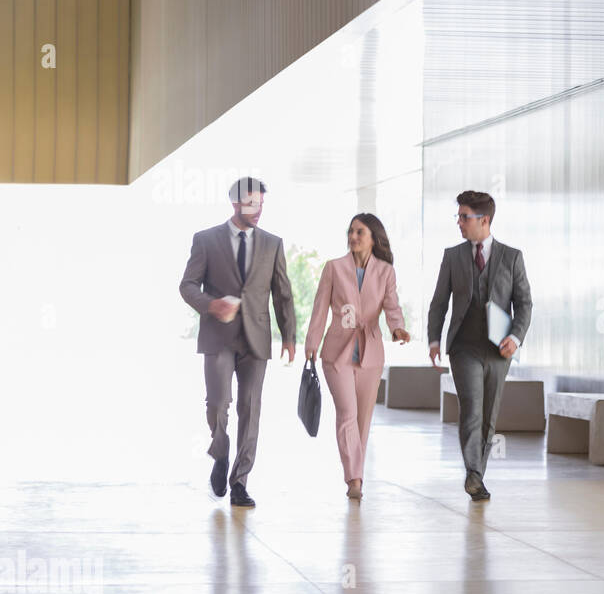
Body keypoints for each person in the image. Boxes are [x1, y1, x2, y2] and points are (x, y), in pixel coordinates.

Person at [180, 177, 296, 508]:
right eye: (251, 204)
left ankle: (240, 482)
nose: (257, 210)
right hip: (218, 336)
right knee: (218, 403)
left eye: (261, 204)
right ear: (235, 204)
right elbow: (187, 285)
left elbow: (282, 292)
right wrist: (211, 305)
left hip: (256, 339)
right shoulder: (205, 240)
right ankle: (219, 450)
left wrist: (289, 335)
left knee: (250, 407)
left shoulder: (273, 244)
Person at [427, 190, 532, 501]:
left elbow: (524, 303)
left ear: (484, 220)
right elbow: (439, 303)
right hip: (464, 347)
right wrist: (434, 339)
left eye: (464, 217)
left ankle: (477, 475)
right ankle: (473, 472)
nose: (459, 222)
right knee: (472, 409)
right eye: (458, 216)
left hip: (499, 350)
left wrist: (515, 337)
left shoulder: (512, 257)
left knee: (489, 414)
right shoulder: (452, 256)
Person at [305, 214, 410, 499]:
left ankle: (357, 475)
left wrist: (397, 328)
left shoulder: (386, 271)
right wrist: (312, 342)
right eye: (350, 231)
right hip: (336, 354)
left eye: (359, 232)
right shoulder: (334, 268)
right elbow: (320, 308)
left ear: (373, 237)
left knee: (363, 419)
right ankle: (354, 478)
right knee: (347, 414)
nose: (353, 237)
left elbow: (392, 305)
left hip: (371, 354)